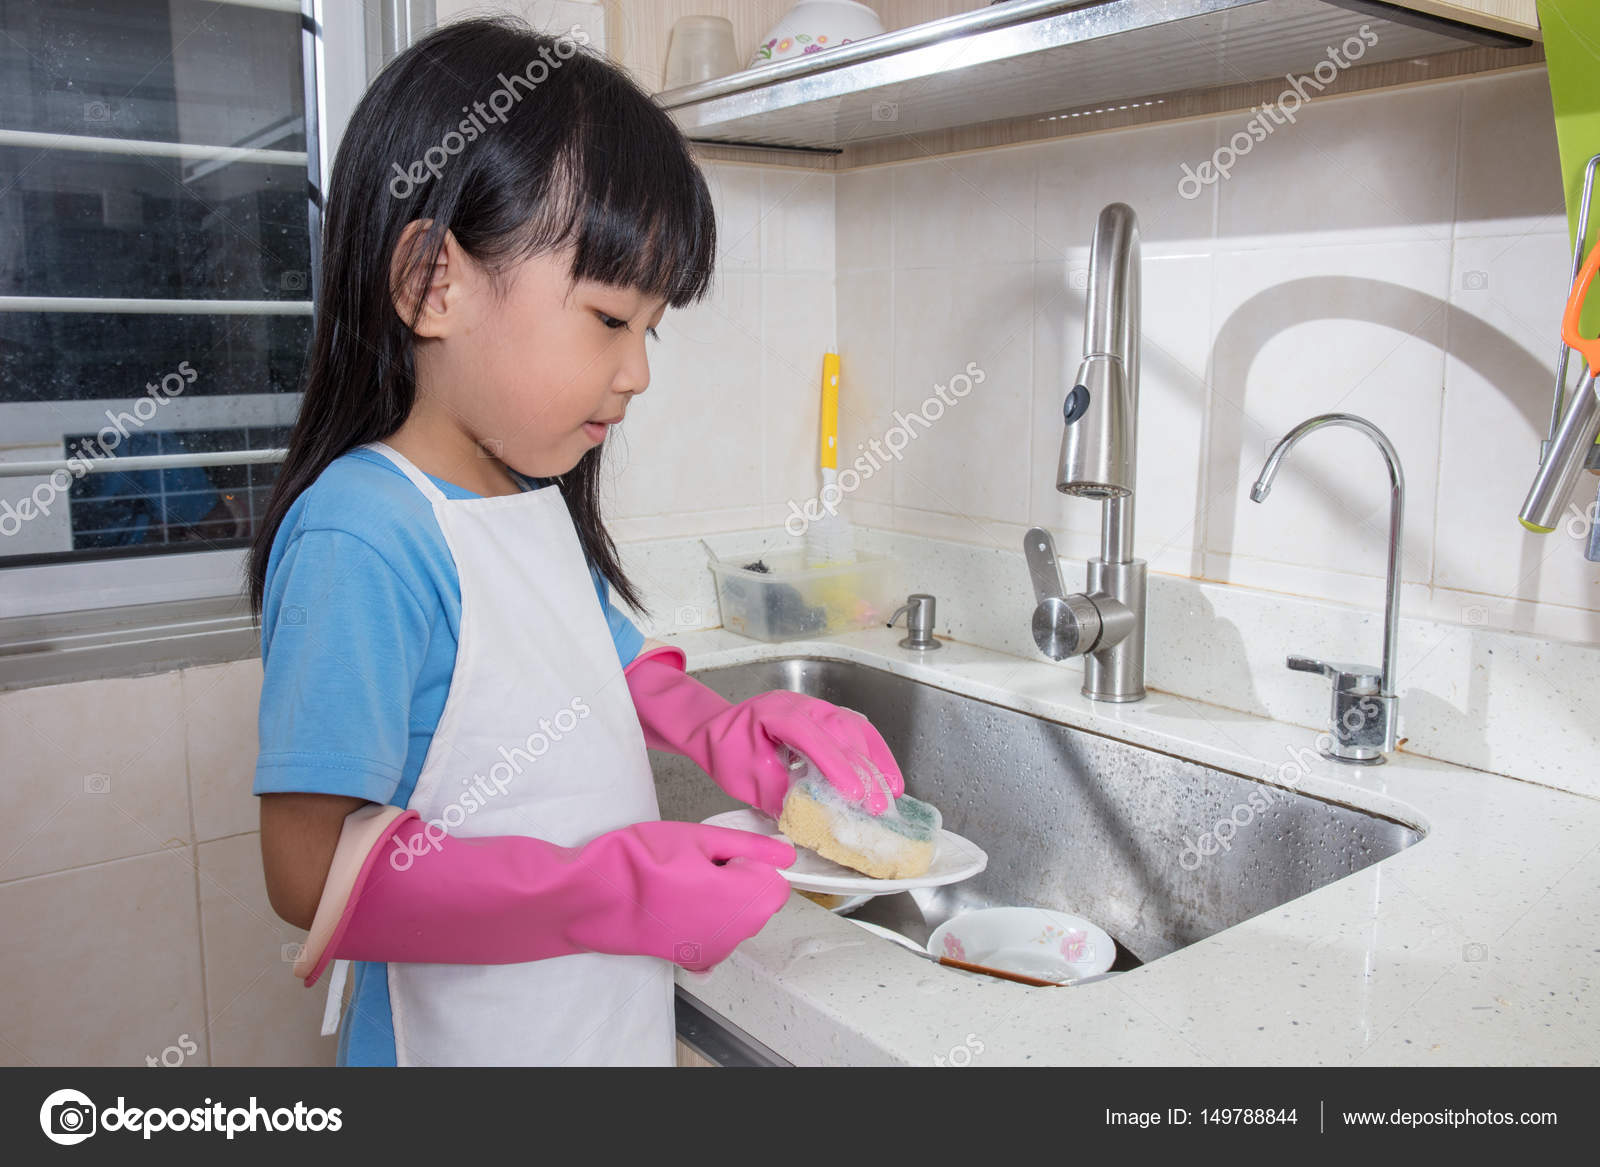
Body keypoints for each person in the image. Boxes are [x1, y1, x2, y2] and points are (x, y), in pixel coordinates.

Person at [246, 16, 905, 1067]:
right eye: (608, 320)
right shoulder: (363, 536)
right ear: (431, 282)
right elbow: (309, 877)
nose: (638, 370)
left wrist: (732, 736)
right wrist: (608, 890)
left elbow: (610, 670)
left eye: (652, 328)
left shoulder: (522, 492)